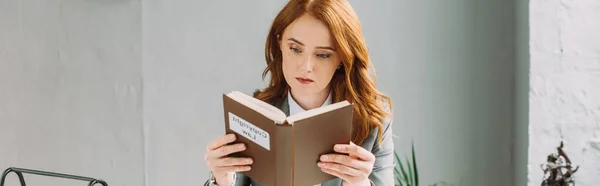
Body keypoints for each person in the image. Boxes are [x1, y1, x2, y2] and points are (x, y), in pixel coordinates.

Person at [204, 0, 394, 185]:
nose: (306, 67)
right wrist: (220, 180)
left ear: (342, 59)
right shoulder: (253, 115)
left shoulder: (371, 123)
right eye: (295, 49)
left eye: (322, 55)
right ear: (280, 42)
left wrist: (359, 184)